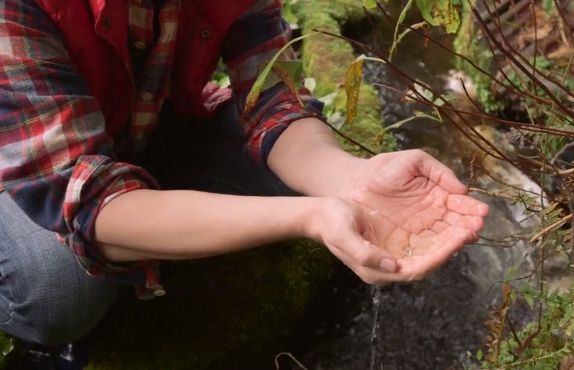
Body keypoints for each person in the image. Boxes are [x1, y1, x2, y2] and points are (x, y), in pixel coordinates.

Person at [0, 0, 489, 368]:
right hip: (25, 157)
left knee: (289, 181)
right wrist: (311, 218)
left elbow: (272, 101)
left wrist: (352, 179)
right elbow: (92, 203)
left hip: (140, 123)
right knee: (59, 291)